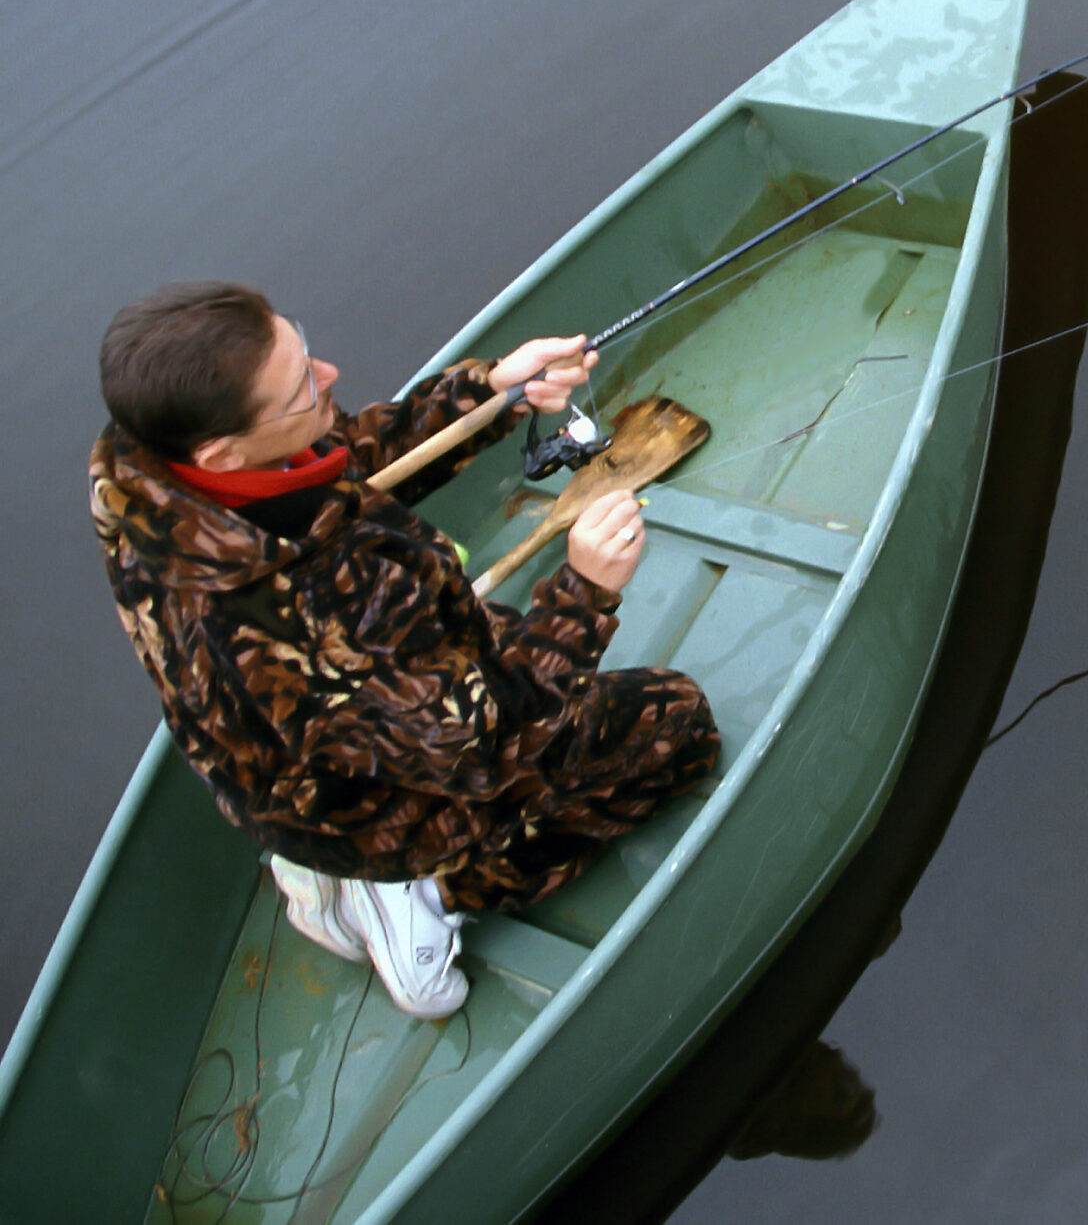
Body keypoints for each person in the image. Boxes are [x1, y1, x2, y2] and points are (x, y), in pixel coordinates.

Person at [90, 281, 720, 1018]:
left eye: (303, 348)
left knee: (500, 638)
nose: (327, 375)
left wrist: (490, 394)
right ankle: (423, 890)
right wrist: (585, 593)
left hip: (311, 762)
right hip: (382, 806)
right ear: (223, 450)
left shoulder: (151, 477)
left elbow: (333, 458)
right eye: (301, 388)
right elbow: (485, 740)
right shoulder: (298, 612)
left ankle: (332, 870)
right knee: (675, 723)